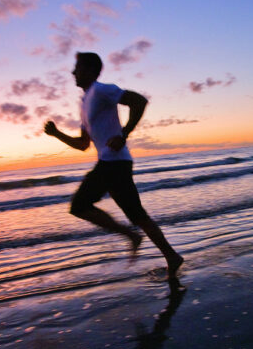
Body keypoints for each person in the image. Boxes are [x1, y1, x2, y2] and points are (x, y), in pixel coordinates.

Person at [44, 52, 184, 278]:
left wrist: (124, 134)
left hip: (113, 163)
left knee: (79, 205)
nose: (73, 72)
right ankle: (171, 256)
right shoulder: (84, 102)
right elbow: (82, 144)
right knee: (137, 215)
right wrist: (57, 134)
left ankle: (132, 236)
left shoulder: (101, 90)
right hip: (114, 163)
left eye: (77, 68)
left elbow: (139, 101)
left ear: (90, 71)